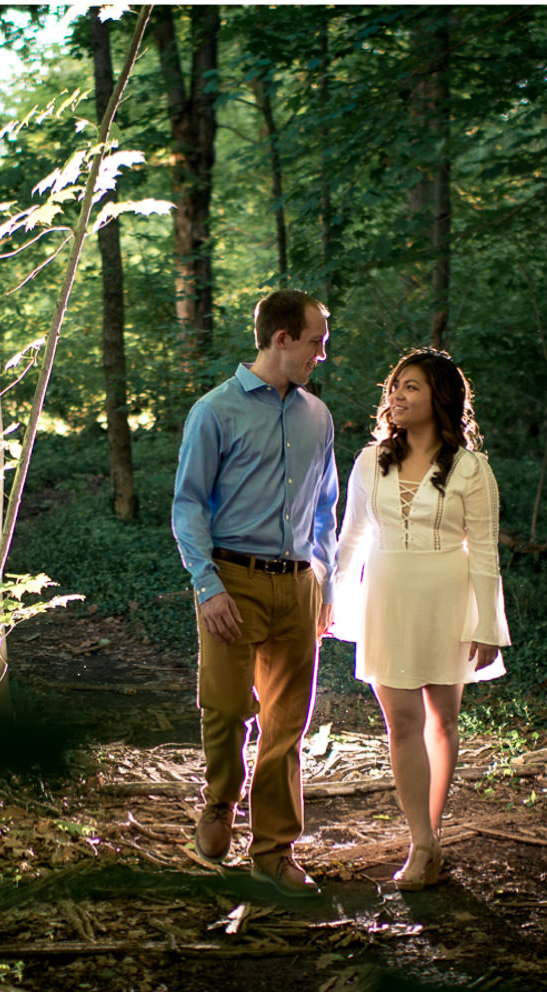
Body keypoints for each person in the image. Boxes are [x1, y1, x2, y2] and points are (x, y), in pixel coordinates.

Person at [169, 290, 342, 888]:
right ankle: (219, 804)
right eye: (317, 340)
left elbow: (326, 508)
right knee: (224, 708)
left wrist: (323, 578)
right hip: (230, 581)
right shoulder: (214, 411)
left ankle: (274, 851)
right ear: (282, 338)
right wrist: (207, 585)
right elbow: (188, 504)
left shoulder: (317, 417)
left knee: (286, 723)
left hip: (297, 586)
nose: (323, 353)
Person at [322, 349, 510, 885]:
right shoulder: (369, 460)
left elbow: (486, 552)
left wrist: (489, 626)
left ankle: (432, 832)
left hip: (450, 599)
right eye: (396, 386)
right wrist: (334, 602)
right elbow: (352, 538)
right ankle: (422, 845)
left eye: (412, 387)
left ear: (441, 399)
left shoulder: (472, 468)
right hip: (387, 598)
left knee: (442, 722)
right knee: (401, 723)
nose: (398, 396)